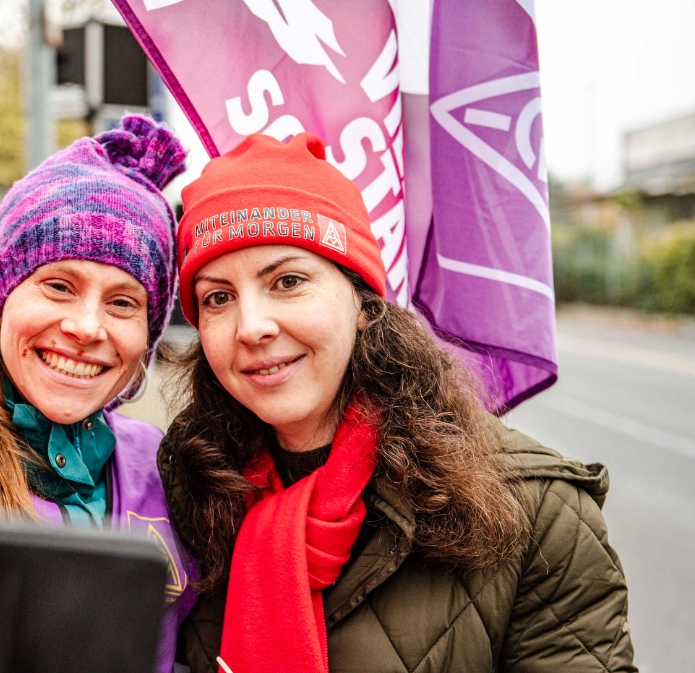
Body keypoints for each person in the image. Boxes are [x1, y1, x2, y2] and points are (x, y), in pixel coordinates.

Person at [158, 133, 636, 673]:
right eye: (218, 298)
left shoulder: (538, 516)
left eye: (288, 281)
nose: (253, 327)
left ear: (363, 303)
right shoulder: (177, 495)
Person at [0, 114, 199, 671]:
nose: (86, 327)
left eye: (123, 302)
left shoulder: (168, 468)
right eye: (58, 286)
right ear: (2, 298)